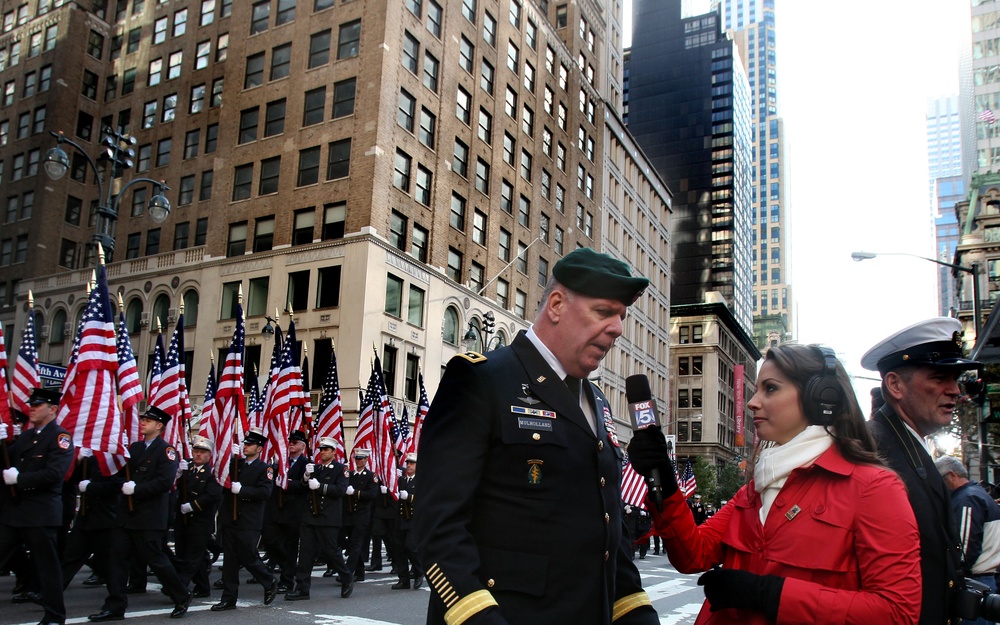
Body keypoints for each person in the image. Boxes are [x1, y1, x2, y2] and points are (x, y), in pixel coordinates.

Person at [415, 247, 658, 624]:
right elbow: (438, 527)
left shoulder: (596, 400)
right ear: (557, 305)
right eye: (604, 312)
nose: (617, 328)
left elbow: (609, 534)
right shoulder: (482, 379)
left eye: (621, 316)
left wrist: (636, 612)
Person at [629, 343, 922, 625]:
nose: (754, 402)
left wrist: (768, 595)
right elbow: (693, 555)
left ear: (821, 397)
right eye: (756, 390)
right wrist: (666, 484)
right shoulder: (754, 489)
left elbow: (897, 612)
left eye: (770, 388)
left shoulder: (875, 488)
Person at [862, 317, 975, 625]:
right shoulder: (872, 450)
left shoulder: (906, 444)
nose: (955, 391)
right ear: (895, 385)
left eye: (955, 379)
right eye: (940, 378)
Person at [89, 405, 192, 622]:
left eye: (148, 420)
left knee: (157, 561)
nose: (143, 422)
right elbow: (119, 474)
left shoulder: (167, 451)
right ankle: (115, 605)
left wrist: (137, 489)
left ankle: (181, 596)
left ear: (159, 425)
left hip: (148, 516)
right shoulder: (134, 448)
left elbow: (164, 483)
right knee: (116, 561)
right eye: (143, 419)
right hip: (126, 515)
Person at [0, 387, 73, 625]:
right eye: (31, 404)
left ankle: (54, 616)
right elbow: (6, 459)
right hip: (15, 511)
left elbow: (54, 474)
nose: (31, 408)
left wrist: (20, 479)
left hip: (40, 513)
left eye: (38, 405)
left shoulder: (60, 438)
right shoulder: (25, 437)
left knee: (47, 569)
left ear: (52, 410)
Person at [211, 427, 277, 611]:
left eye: (250, 444)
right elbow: (222, 481)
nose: (246, 446)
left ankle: (268, 580)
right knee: (230, 561)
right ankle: (229, 598)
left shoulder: (265, 469)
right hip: (230, 518)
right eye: (245, 443)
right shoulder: (236, 464)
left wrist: (243, 491)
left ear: (259, 448)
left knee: (248, 556)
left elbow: (265, 492)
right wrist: (229, 460)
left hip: (249, 520)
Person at [285, 436, 353, 600]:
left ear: (334, 452)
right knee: (306, 553)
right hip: (310, 516)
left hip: (328, 517)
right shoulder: (316, 468)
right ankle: (302, 588)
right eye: (321, 449)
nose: (322, 452)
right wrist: (306, 477)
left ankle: (346, 578)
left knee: (332, 552)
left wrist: (321, 487)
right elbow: (303, 487)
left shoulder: (340, 469)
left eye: (326, 450)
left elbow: (340, 491)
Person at [936, 454, 1000, 625]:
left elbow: (963, 548)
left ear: (951, 476)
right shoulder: (977, 494)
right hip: (984, 580)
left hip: (974, 583)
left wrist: (954, 576)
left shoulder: (968, 499)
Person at [174, 435, 222, 598]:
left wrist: (193, 506)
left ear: (209, 455)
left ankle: (178, 586)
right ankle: (202, 587)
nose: (198, 455)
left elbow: (212, 495)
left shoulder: (212, 473)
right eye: (196, 451)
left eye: (202, 452)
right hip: (183, 518)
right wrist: (179, 474)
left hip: (201, 520)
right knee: (189, 554)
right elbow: (177, 488)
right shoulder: (187, 469)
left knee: (193, 556)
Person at [261, 430, 309, 594]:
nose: (291, 444)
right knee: (269, 540)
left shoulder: (306, 464)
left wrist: (287, 483)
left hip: (294, 511)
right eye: (290, 441)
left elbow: (305, 486)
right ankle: (290, 567)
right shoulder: (280, 462)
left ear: (302, 446)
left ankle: (287, 581)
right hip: (276, 509)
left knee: (290, 547)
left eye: (295, 442)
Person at [342, 448, 378, 583]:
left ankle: (348, 572)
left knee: (356, 544)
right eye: (357, 458)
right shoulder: (350, 475)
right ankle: (360, 572)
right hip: (350, 514)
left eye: (362, 458)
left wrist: (356, 493)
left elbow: (372, 495)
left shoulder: (371, 476)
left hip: (362, 515)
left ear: (366, 460)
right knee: (352, 543)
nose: (359, 461)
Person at [392, 453, 421, 590]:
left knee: (411, 547)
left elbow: (423, 499)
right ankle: (403, 580)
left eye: (412, 463)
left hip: (414, 520)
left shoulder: (421, 481)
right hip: (401, 519)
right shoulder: (401, 480)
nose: (408, 465)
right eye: (408, 463)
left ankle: (419, 572)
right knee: (399, 550)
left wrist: (409, 497)